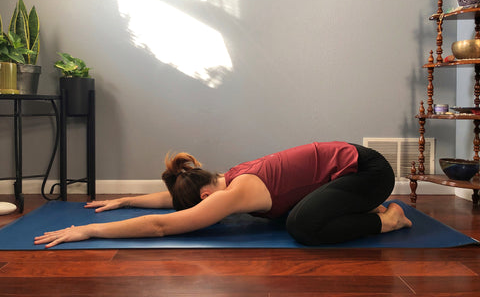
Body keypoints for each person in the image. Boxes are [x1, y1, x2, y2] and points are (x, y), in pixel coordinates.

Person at [34, 141, 412, 248]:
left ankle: (387, 219)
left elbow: (162, 227)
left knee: (302, 227)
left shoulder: (237, 190)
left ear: (205, 196)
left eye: (202, 203)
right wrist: (125, 199)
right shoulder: (225, 178)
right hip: (348, 174)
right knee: (291, 215)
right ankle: (363, 205)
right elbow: (170, 202)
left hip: (369, 172)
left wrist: (89, 231)